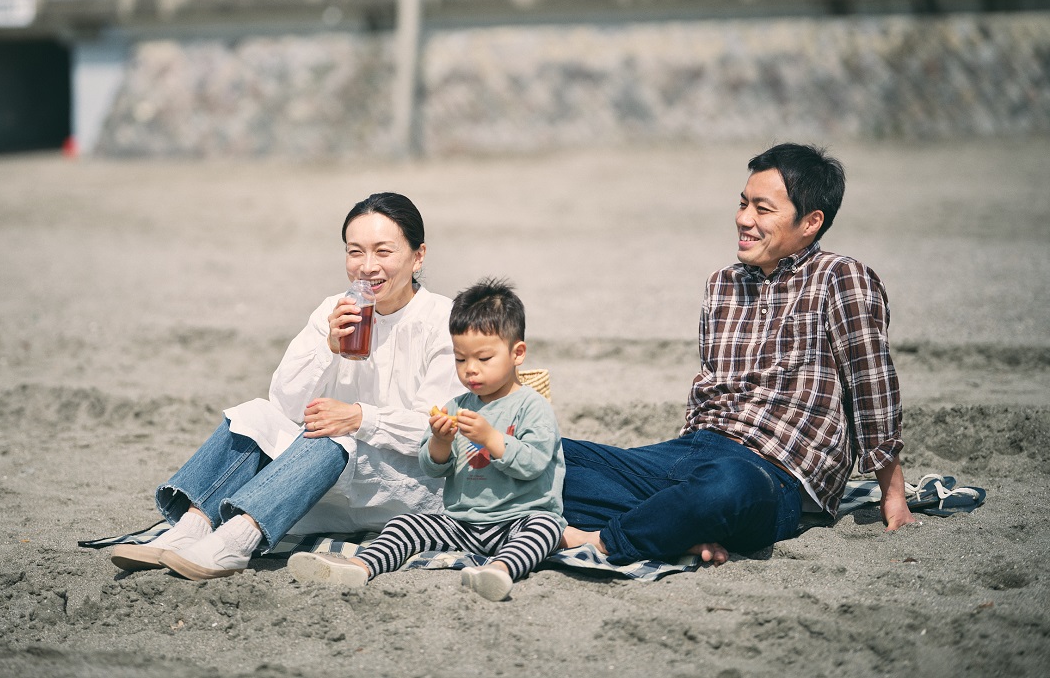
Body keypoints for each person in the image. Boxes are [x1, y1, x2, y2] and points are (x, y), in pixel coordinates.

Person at [560, 143, 915, 567]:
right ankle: (673, 529)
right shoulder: (722, 285)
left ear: (811, 222)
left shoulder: (840, 277)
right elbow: (707, 393)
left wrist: (893, 496)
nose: (744, 219)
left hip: (773, 475)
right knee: (547, 455)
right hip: (689, 454)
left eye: (762, 209)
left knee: (729, 485)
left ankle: (600, 539)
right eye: (743, 203)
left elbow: (871, 383)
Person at [109, 192, 464, 580]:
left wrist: (360, 418)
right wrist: (328, 348)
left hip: (401, 491)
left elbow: (433, 433)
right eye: (355, 252)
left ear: (418, 256)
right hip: (316, 483)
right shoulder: (334, 309)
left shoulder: (443, 321)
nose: (367, 267)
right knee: (254, 414)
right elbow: (282, 404)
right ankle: (191, 529)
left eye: (383, 252)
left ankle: (235, 544)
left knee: (333, 433)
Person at [286, 278, 565, 602]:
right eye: (461, 360)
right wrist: (440, 443)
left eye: (483, 359)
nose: (470, 370)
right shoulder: (457, 405)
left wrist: (490, 437)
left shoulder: (532, 405)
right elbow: (433, 469)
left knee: (546, 529)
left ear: (517, 353)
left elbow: (533, 464)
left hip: (518, 518)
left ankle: (500, 571)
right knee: (405, 526)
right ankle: (360, 566)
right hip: (463, 522)